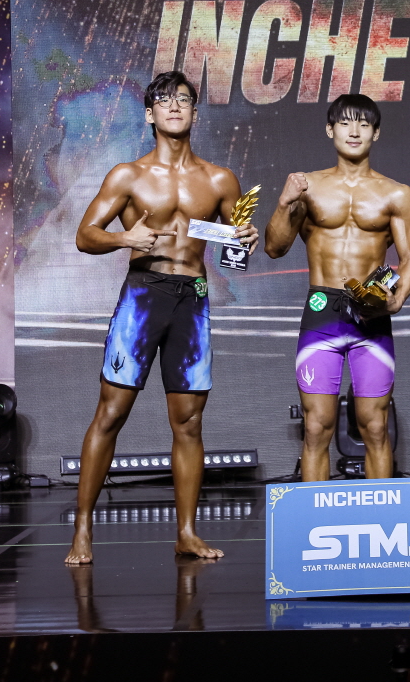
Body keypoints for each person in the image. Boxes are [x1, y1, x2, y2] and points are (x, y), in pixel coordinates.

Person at [64, 72, 258, 564]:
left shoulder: (220, 180)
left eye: (184, 100)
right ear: (150, 114)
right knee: (111, 413)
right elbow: (85, 235)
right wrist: (125, 239)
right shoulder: (127, 176)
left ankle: (187, 533)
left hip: (192, 298)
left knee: (189, 422)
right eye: (165, 100)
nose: (175, 106)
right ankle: (82, 529)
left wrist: (244, 241)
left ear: (195, 112)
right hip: (143, 295)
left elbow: (235, 249)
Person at [264, 94, 410, 481]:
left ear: (376, 133)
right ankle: (313, 514)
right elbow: (274, 248)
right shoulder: (307, 187)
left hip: (371, 314)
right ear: (330, 129)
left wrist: (398, 299)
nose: (354, 131)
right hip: (323, 311)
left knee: (376, 426)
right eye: (345, 123)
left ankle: (381, 513)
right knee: (317, 427)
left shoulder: (396, 194)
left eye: (364, 124)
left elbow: (409, 258)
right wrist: (284, 203)